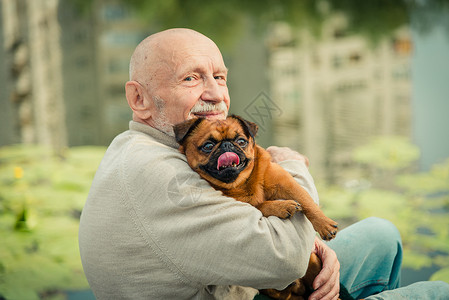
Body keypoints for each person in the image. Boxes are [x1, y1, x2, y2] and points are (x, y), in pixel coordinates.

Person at [78, 28, 449, 300]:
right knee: (437, 291)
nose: (215, 94)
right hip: (265, 287)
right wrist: (289, 165)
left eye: (219, 77)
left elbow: (247, 232)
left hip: (246, 286)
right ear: (138, 98)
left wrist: (309, 246)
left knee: (382, 235)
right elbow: (285, 261)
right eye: (190, 78)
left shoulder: (151, 147)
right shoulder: (161, 176)